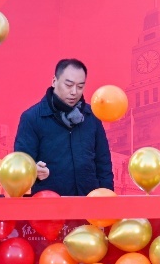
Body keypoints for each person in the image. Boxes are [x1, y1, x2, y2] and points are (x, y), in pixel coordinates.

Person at [13, 58, 114, 196]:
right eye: (68, 85)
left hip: (89, 202)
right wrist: (33, 170)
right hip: (49, 204)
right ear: (54, 81)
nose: (74, 92)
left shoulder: (92, 117)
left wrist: (108, 199)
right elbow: (20, 166)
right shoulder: (32, 118)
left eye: (80, 87)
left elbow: (103, 164)